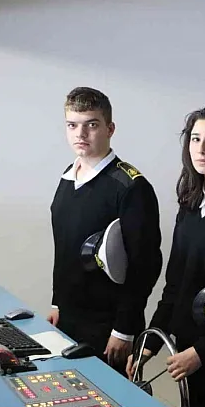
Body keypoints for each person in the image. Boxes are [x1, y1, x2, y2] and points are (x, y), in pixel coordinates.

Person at [126, 104, 205, 407]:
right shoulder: (189, 209)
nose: (201, 148)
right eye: (195, 139)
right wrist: (147, 345)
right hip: (186, 351)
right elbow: (176, 286)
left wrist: (201, 352)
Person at [48, 87, 163, 374]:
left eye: (91, 125)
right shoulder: (67, 177)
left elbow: (145, 265)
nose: (80, 134)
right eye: (72, 125)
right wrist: (57, 303)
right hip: (69, 319)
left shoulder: (130, 186)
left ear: (110, 129)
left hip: (109, 327)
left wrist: (124, 329)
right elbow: (64, 249)